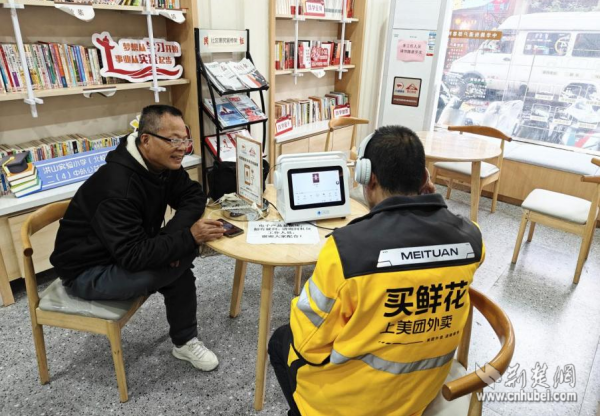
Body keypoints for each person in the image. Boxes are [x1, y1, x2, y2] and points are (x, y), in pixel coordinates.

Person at [268, 125, 485, 416]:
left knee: (280, 340)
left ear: (368, 179)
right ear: (424, 178)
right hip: (418, 396)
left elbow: (309, 343)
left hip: (350, 405)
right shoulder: (471, 238)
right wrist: (435, 208)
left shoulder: (346, 250)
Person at [50, 104, 225, 371]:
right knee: (171, 268)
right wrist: (188, 239)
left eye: (185, 140)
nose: (182, 148)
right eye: (174, 140)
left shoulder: (161, 163)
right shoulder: (117, 186)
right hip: (87, 271)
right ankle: (186, 335)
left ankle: (184, 342)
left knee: (178, 265)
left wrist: (172, 238)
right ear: (146, 139)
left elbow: (193, 195)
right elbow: (133, 256)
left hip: (125, 249)